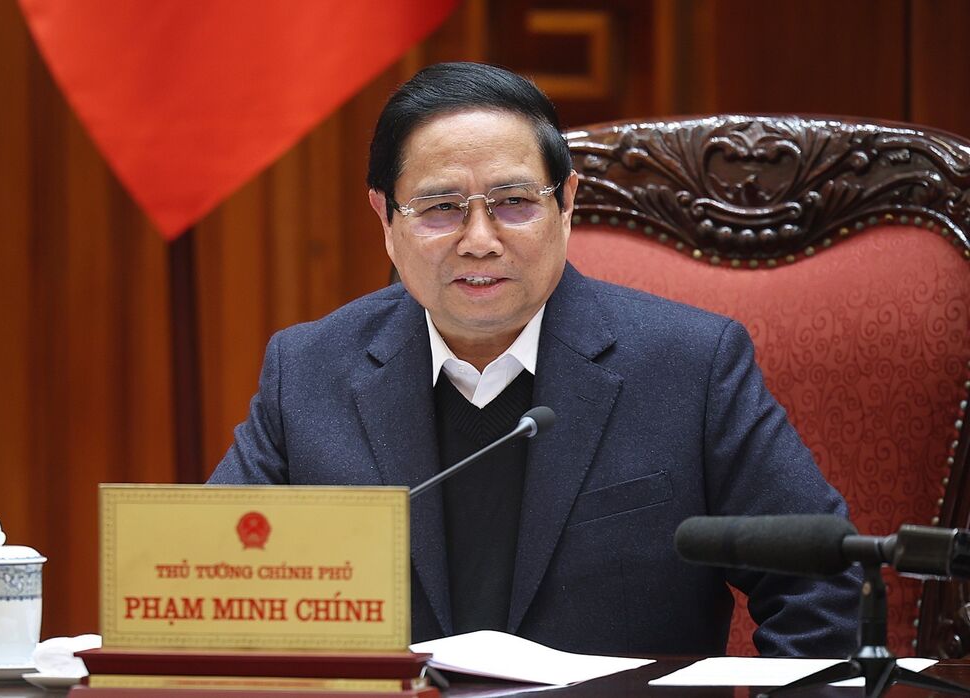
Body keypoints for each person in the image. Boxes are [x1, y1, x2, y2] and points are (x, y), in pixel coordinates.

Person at [209, 62, 860, 657]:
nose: (480, 241)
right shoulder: (308, 372)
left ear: (567, 203)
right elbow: (215, 588)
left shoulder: (692, 367)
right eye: (440, 209)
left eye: (514, 203)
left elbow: (823, 586)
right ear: (385, 217)